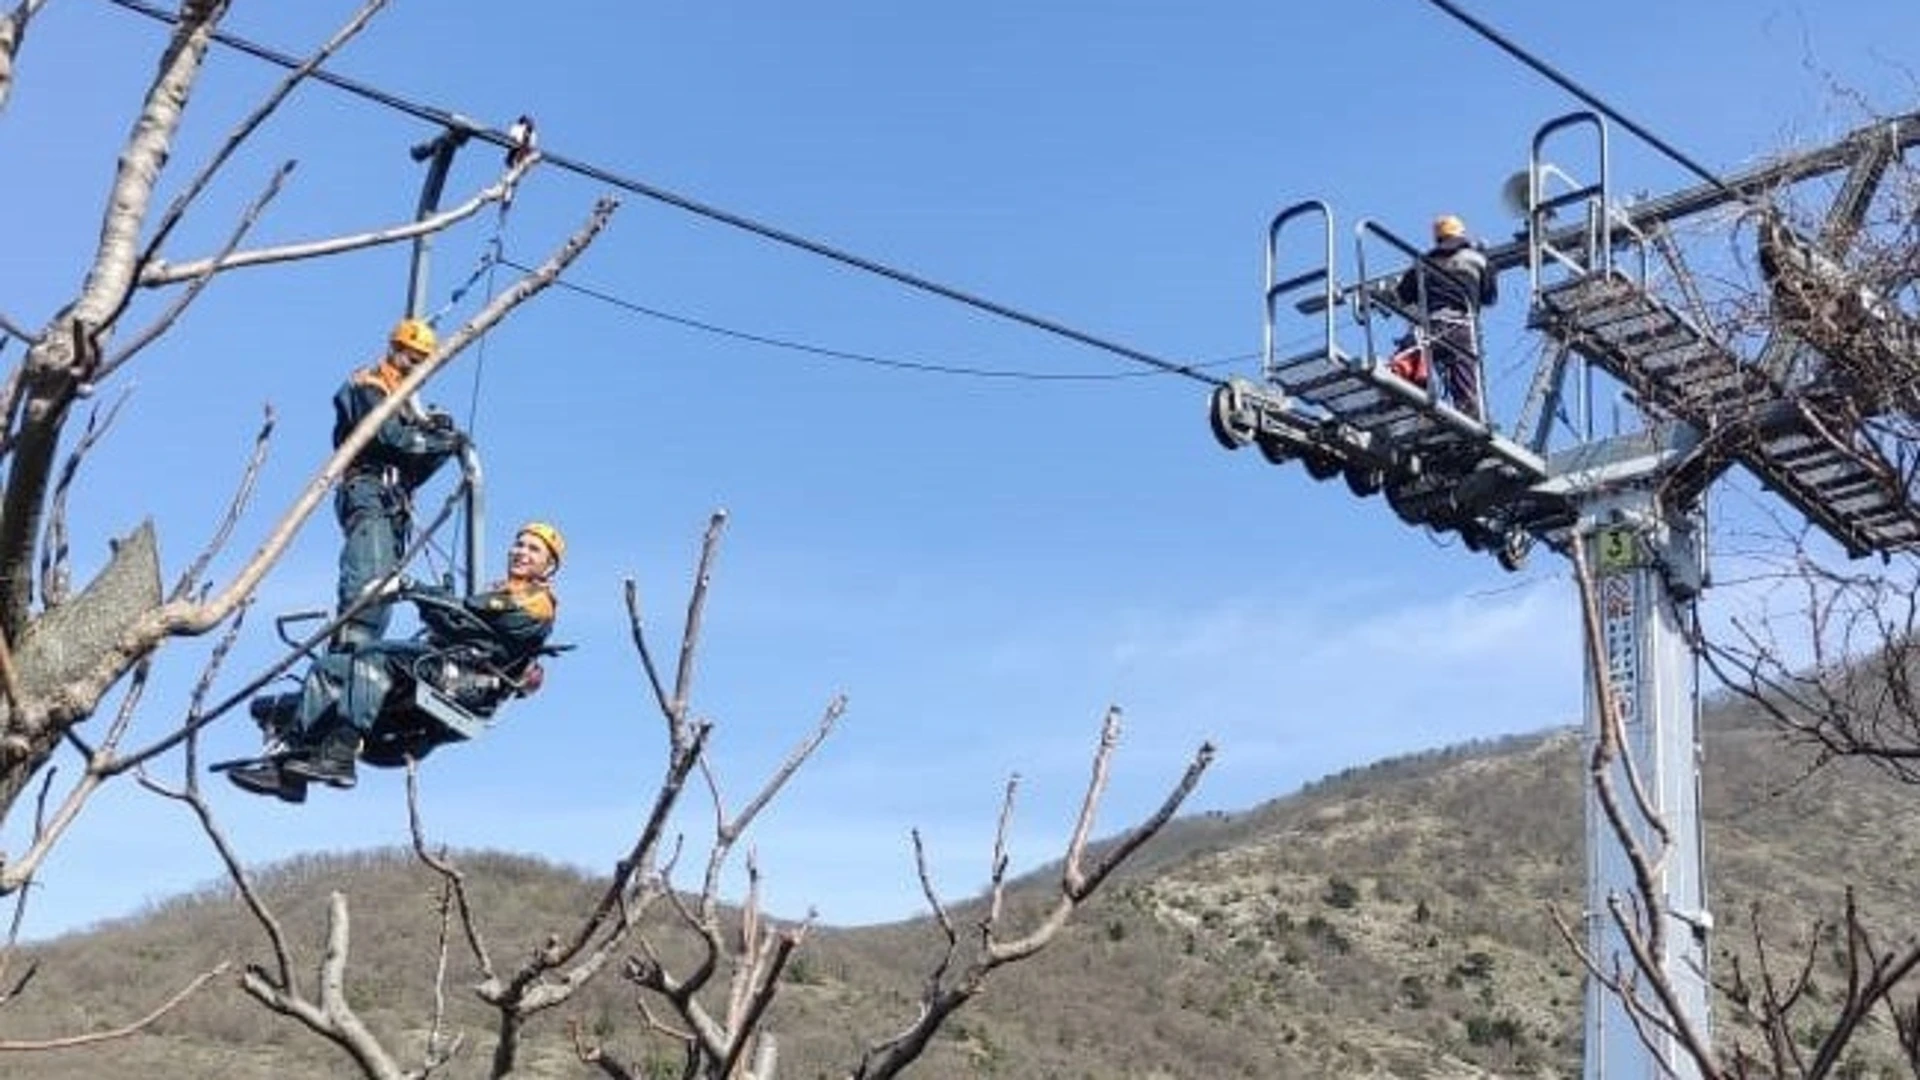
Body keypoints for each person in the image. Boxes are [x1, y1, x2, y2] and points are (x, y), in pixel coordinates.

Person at [228, 522, 563, 802]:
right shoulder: (504, 591)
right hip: (443, 664)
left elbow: (462, 620)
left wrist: (411, 587)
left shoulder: (535, 604)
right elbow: (460, 614)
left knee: (375, 658)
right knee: (330, 669)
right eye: (519, 544)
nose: (521, 551)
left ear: (548, 565)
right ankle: (292, 768)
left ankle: (341, 754)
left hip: (466, 677)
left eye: (534, 549)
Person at [332, 317, 465, 649]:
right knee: (370, 575)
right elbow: (388, 436)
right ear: (395, 349)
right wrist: (435, 440)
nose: (416, 367)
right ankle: (350, 652)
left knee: (386, 587)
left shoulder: (406, 404)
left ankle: (365, 650)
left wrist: (439, 441)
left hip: (394, 501)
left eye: (423, 361)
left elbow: (415, 468)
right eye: (412, 357)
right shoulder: (369, 385)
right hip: (368, 488)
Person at [1393, 214, 1498, 420]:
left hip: (1429, 329)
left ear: (1437, 238)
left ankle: (1405, 401)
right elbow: (1489, 297)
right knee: (1464, 379)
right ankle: (1471, 415)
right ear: (1461, 234)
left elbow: (1403, 294)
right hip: (1460, 328)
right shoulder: (1478, 259)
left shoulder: (1423, 262)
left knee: (1408, 358)